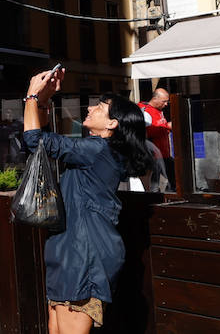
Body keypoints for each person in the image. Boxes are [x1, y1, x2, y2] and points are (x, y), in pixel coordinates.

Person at [23, 70, 153, 333]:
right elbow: (44, 139)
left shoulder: (98, 150)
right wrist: (42, 103)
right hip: (72, 248)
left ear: (112, 124)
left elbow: (34, 140)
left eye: (101, 107)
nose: (91, 108)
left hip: (83, 253)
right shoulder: (97, 151)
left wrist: (33, 95)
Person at [139, 88, 173, 192]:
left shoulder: (159, 111)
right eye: (164, 101)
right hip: (154, 157)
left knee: (170, 182)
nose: (166, 104)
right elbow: (145, 133)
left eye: (167, 101)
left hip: (164, 155)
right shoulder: (146, 112)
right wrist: (167, 127)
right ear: (155, 99)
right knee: (156, 186)